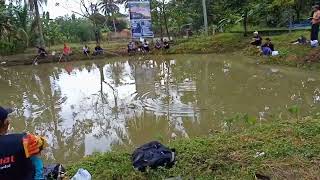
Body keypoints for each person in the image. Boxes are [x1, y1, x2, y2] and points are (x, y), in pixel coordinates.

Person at [0, 106, 48, 180]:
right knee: (34, 154)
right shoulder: (22, 140)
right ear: (5, 123)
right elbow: (43, 143)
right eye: (7, 118)